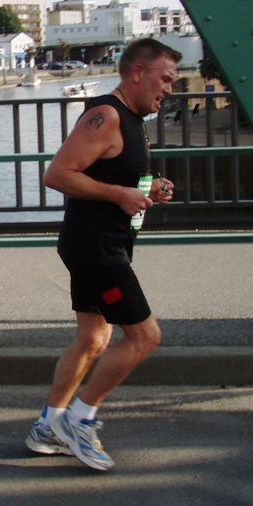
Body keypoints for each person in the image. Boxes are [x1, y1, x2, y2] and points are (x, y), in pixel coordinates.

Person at [25, 38, 181, 471]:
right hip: (97, 251)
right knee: (144, 337)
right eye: (164, 78)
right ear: (137, 72)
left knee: (94, 338)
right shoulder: (106, 115)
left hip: (99, 245)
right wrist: (120, 194)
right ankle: (80, 418)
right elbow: (57, 174)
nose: (169, 88)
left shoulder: (132, 117)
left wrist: (146, 189)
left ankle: (47, 425)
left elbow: (111, 174)